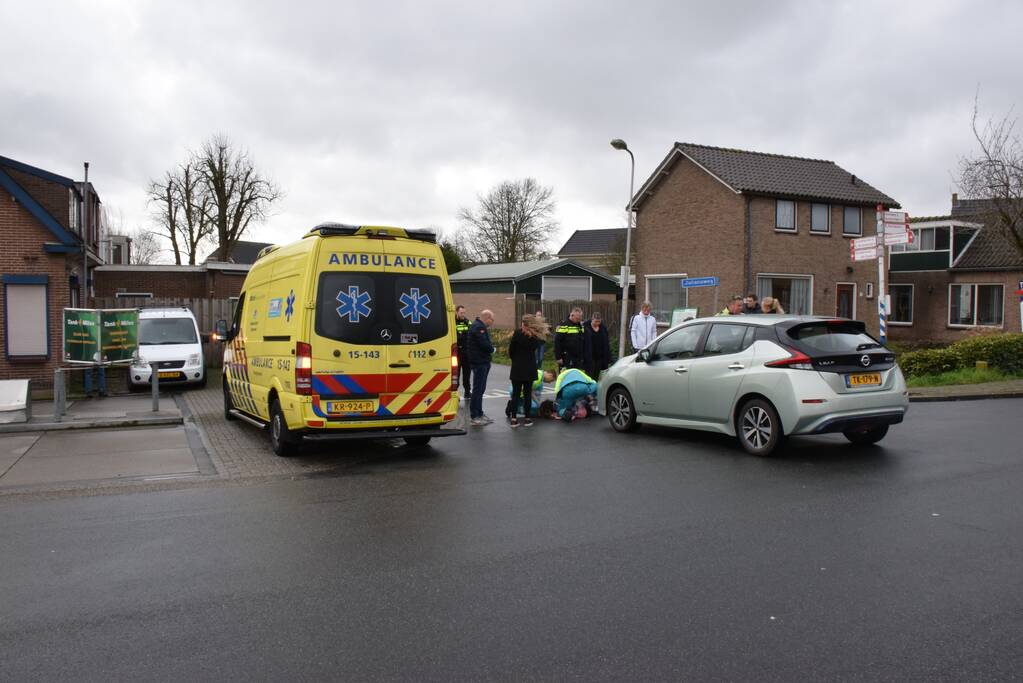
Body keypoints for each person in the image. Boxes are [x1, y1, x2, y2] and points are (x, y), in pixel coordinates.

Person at [507, 314, 544, 427]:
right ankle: (527, 418)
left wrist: (515, 359)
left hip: (517, 367)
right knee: (528, 394)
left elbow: (511, 350)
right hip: (530, 367)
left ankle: (514, 419)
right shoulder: (535, 336)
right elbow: (537, 348)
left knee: (516, 395)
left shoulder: (517, 333)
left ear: (523, 323)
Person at [467, 309, 495, 426]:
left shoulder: (479, 326)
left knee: (481, 389)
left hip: (482, 361)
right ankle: (475, 416)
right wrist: (492, 349)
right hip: (479, 362)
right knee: (478, 389)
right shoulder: (479, 327)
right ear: (487, 317)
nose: (492, 322)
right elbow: (484, 344)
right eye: (492, 320)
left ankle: (480, 413)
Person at [583, 311, 611, 379]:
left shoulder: (603, 328)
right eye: (596, 321)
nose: (597, 323)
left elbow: (606, 342)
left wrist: (608, 356)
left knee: (598, 377)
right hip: (590, 357)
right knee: (589, 377)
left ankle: (596, 389)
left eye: (599, 322)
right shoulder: (585, 327)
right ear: (592, 319)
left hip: (600, 358)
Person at [454, 305, 472, 400]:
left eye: (464, 313)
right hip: (456, 352)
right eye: (461, 313)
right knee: (456, 374)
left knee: (467, 374)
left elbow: (472, 333)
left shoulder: (467, 321)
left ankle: (467, 392)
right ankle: (455, 393)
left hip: (466, 352)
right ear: (456, 312)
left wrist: (462, 335)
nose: (463, 314)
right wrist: (462, 335)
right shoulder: (452, 322)